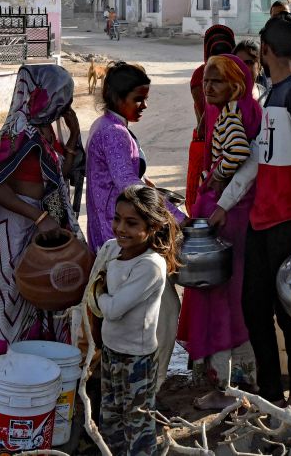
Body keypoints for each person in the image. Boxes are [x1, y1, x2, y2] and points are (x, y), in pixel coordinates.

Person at [210, 12, 291, 410]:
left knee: (289, 313)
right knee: (255, 308)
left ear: (264, 50)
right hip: (262, 221)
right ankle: (270, 395)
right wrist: (224, 206)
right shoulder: (273, 93)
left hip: (288, 222)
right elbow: (255, 162)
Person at [85, 62, 182, 389]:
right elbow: (131, 187)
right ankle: (148, 391)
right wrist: (178, 219)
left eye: (145, 98)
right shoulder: (115, 134)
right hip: (124, 240)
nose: (144, 106)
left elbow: (131, 176)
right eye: (138, 99)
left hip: (108, 235)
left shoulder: (105, 126)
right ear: (117, 96)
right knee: (165, 313)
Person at [0, 65, 83, 356]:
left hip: (42, 221)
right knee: (14, 295)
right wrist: (39, 217)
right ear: (42, 93)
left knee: (48, 293)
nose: (66, 100)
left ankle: (43, 364)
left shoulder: (46, 127)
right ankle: (12, 369)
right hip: (16, 225)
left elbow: (57, 177)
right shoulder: (17, 130)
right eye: (61, 94)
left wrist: (73, 136)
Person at [177, 54, 261, 410]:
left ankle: (229, 387)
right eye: (206, 82)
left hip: (230, 217)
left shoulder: (237, 115)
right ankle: (225, 379)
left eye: (216, 82)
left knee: (224, 298)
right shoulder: (225, 113)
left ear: (235, 86)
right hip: (223, 211)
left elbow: (241, 158)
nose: (208, 88)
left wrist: (217, 179)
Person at [86, 185, 182, 456]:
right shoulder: (114, 250)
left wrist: (98, 293)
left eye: (131, 223)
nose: (120, 228)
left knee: (138, 426)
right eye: (117, 218)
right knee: (111, 418)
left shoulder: (150, 265)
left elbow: (113, 309)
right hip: (112, 352)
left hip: (137, 360)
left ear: (152, 227)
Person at [187, 26, 236, 210]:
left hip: (212, 148)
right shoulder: (237, 76)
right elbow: (205, 122)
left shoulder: (201, 74)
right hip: (212, 148)